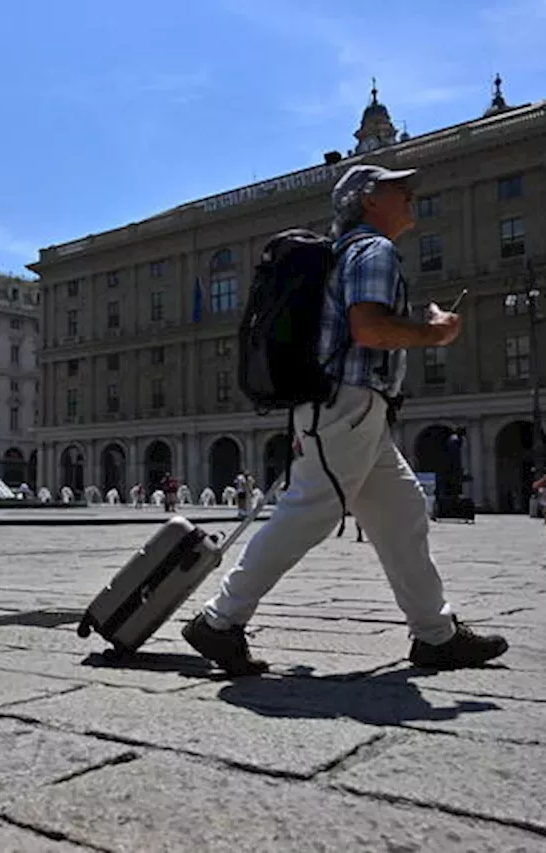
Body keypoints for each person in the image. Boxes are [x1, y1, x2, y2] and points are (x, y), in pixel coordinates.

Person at [182, 164, 508, 675]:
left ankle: (435, 635)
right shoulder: (372, 249)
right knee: (309, 511)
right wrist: (436, 333)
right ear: (369, 199)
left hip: (353, 409)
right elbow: (369, 328)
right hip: (349, 402)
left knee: (402, 516)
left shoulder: (350, 250)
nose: (410, 195)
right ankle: (220, 620)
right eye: (400, 188)